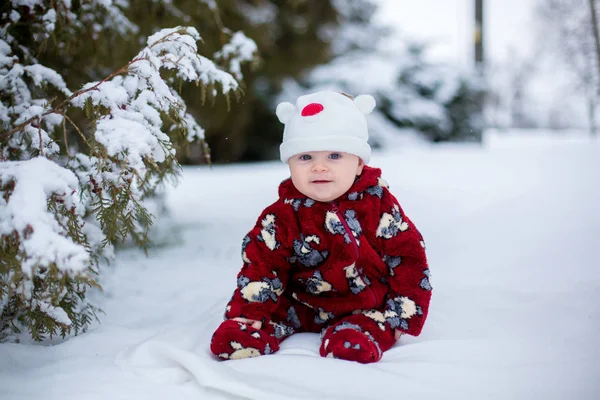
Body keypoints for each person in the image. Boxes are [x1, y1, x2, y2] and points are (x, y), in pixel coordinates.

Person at [210, 91, 431, 363]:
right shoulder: (282, 215)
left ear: (359, 162)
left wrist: (402, 313)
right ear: (289, 162)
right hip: (302, 303)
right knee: (272, 310)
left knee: (374, 320)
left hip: (365, 304)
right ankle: (246, 335)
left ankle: (355, 337)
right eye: (305, 157)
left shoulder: (377, 206)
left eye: (335, 155)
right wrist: (249, 311)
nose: (319, 167)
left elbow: (408, 257)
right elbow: (262, 265)